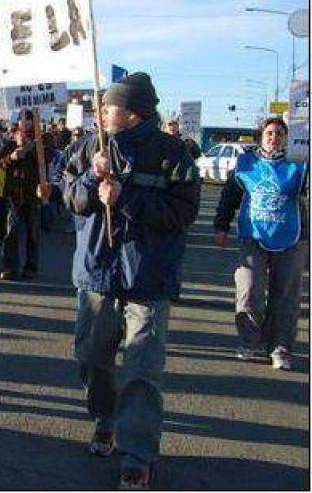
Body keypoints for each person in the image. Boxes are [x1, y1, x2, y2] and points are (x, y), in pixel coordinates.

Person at [62, 72, 200, 490]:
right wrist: (91, 177)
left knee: (142, 367)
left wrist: (126, 198)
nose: (101, 114)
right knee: (92, 357)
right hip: (97, 272)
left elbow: (182, 213)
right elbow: (69, 197)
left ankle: (137, 454)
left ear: (134, 111)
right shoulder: (88, 147)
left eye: (109, 107)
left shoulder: (173, 154)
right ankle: (105, 419)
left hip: (148, 276)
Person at [214, 117, 308, 370]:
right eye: (269, 132)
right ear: (261, 136)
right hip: (253, 236)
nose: (274, 137)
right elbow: (229, 197)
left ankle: (280, 347)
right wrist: (221, 226)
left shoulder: (300, 165)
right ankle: (250, 340)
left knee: (285, 295)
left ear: (287, 138)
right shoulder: (246, 163)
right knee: (249, 289)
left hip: (291, 237)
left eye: (279, 133)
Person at [0, 114, 51, 281]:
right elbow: (0, 165)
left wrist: (30, 148)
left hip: (33, 194)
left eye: (29, 119)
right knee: (11, 232)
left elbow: (48, 159)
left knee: (32, 233)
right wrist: (12, 156)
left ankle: (31, 267)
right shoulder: (10, 143)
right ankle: (9, 267)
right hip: (14, 194)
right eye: (22, 119)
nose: (25, 122)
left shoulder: (41, 142)